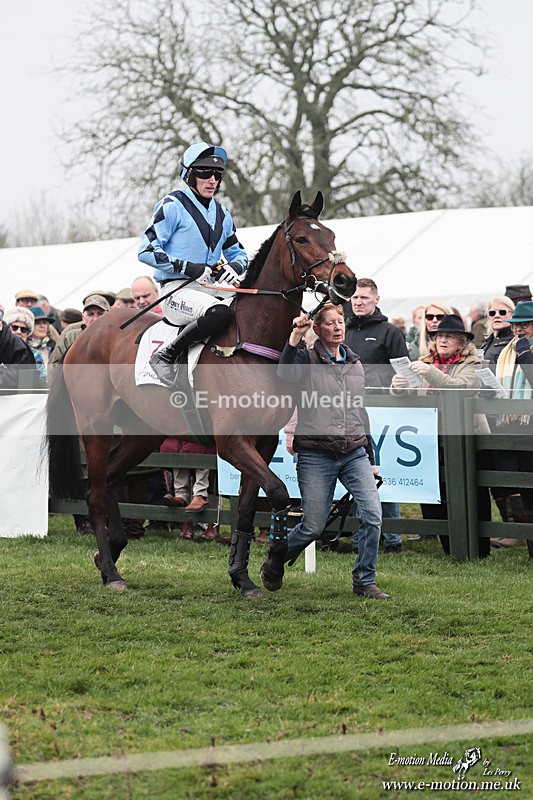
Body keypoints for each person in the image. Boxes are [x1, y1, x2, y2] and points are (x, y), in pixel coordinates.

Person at [260, 303, 389, 600]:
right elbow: (284, 374)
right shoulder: (305, 359)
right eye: (330, 323)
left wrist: (372, 459)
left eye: (340, 322)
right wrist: (295, 337)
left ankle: (364, 581)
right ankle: (277, 558)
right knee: (312, 527)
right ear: (317, 329)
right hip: (316, 454)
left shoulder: (355, 363)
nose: (337, 327)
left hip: (354, 452)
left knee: (373, 516)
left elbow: (360, 412)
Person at [138, 140, 248, 386]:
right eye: (205, 173)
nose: (212, 180)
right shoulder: (171, 206)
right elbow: (146, 251)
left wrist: (233, 268)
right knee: (220, 313)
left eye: (217, 174)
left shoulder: (222, 213)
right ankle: (166, 355)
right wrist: (187, 267)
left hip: (211, 288)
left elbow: (239, 254)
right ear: (189, 175)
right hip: (176, 290)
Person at [391, 314, 490, 558]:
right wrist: (398, 386)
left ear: (462, 342)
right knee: (440, 490)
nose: (442, 340)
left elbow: (460, 387)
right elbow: (412, 393)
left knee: (473, 493)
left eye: (449, 337)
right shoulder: (424, 363)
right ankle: (450, 547)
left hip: (466, 439)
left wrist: (430, 372)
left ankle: (480, 549)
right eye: (439, 336)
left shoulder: (472, 364)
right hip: (431, 438)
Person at [344, 278, 409, 553]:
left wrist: (399, 384)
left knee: (383, 474)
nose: (358, 302)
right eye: (355, 298)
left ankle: (392, 538)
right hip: (347, 412)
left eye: (364, 298)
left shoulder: (390, 332)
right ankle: (359, 537)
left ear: (376, 299)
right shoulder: (342, 329)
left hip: (381, 413)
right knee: (355, 473)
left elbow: (404, 372)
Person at [478, 295, 523, 547]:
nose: (497, 316)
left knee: (509, 468)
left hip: (509, 414)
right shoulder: (486, 344)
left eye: (503, 312)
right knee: (494, 467)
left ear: (512, 316)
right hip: (487, 413)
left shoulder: (514, 344)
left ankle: (517, 529)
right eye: (492, 312)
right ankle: (508, 525)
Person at [494, 300, 533, 559]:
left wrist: (526, 352)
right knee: (526, 488)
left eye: (525, 325)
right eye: (515, 325)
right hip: (515, 424)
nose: (518, 330)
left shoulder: (521, 350)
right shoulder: (507, 352)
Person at [50, 295, 110, 364]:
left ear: (109, 316)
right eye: (90, 314)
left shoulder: (116, 336)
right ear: (83, 318)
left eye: (100, 314)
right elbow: (55, 365)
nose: (95, 319)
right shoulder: (70, 337)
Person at [0, 311, 36, 388]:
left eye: (23, 329)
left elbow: (24, 381)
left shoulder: (21, 350)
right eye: (15, 327)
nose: (19, 332)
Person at [28, 307, 57, 378]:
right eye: (37, 323)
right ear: (30, 326)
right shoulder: (24, 349)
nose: (42, 326)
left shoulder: (54, 346)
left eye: (44, 323)